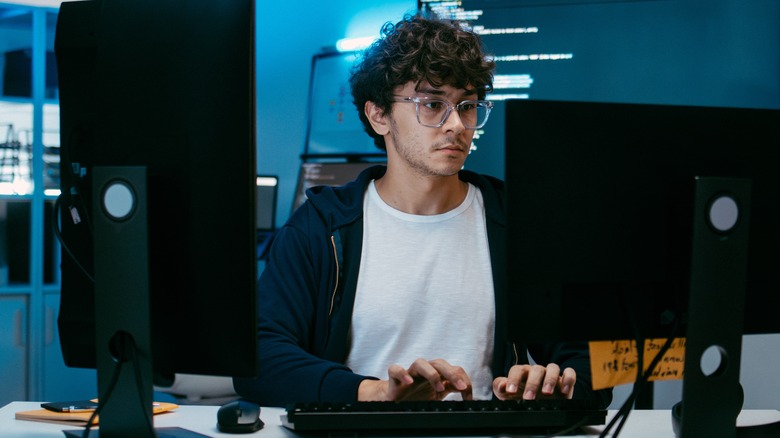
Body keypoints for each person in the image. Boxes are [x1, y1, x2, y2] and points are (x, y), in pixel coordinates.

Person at [234, 13, 612, 408]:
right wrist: (374, 392)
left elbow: (594, 366)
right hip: (361, 432)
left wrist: (551, 386)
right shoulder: (321, 226)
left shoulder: (516, 222)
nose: (457, 125)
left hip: (484, 433)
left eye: (467, 106)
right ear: (379, 115)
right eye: (432, 104)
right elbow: (260, 358)